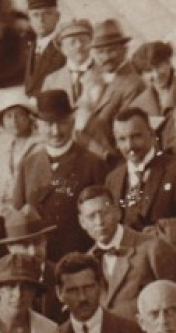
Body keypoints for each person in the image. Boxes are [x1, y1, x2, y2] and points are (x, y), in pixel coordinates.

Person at [12, 90, 112, 259]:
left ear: (72, 122)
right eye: (48, 124)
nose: (56, 131)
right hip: (39, 259)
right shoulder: (27, 165)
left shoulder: (94, 164)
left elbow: (107, 218)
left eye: (62, 123)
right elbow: (19, 214)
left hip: (82, 260)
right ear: (37, 126)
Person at [79, 183, 176, 318]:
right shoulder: (86, 261)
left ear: (117, 212)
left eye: (104, 213)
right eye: (91, 217)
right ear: (82, 222)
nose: (99, 221)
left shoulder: (153, 248)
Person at [105, 104, 176, 250]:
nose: (129, 145)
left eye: (136, 136)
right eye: (122, 139)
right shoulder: (112, 179)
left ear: (151, 134)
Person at [75, 19, 144, 150]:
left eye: (111, 50)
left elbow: (124, 133)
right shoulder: (94, 77)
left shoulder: (134, 84)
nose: (106, 57)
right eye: (100, 52)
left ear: (125, 50)